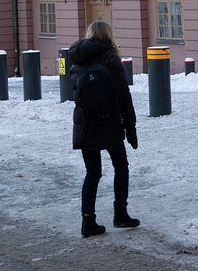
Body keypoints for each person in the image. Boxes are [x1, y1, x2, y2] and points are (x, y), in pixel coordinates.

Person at [67, 20, 139, 238]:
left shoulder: (77, 59)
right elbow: (123, 94)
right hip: (109, 122)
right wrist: (130, 125)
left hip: (85, 124)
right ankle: (120, 214)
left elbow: (75, 93)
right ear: (108, 35)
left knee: (92, 173)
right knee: (121, 166)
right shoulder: (110, 57)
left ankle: (88, 221)